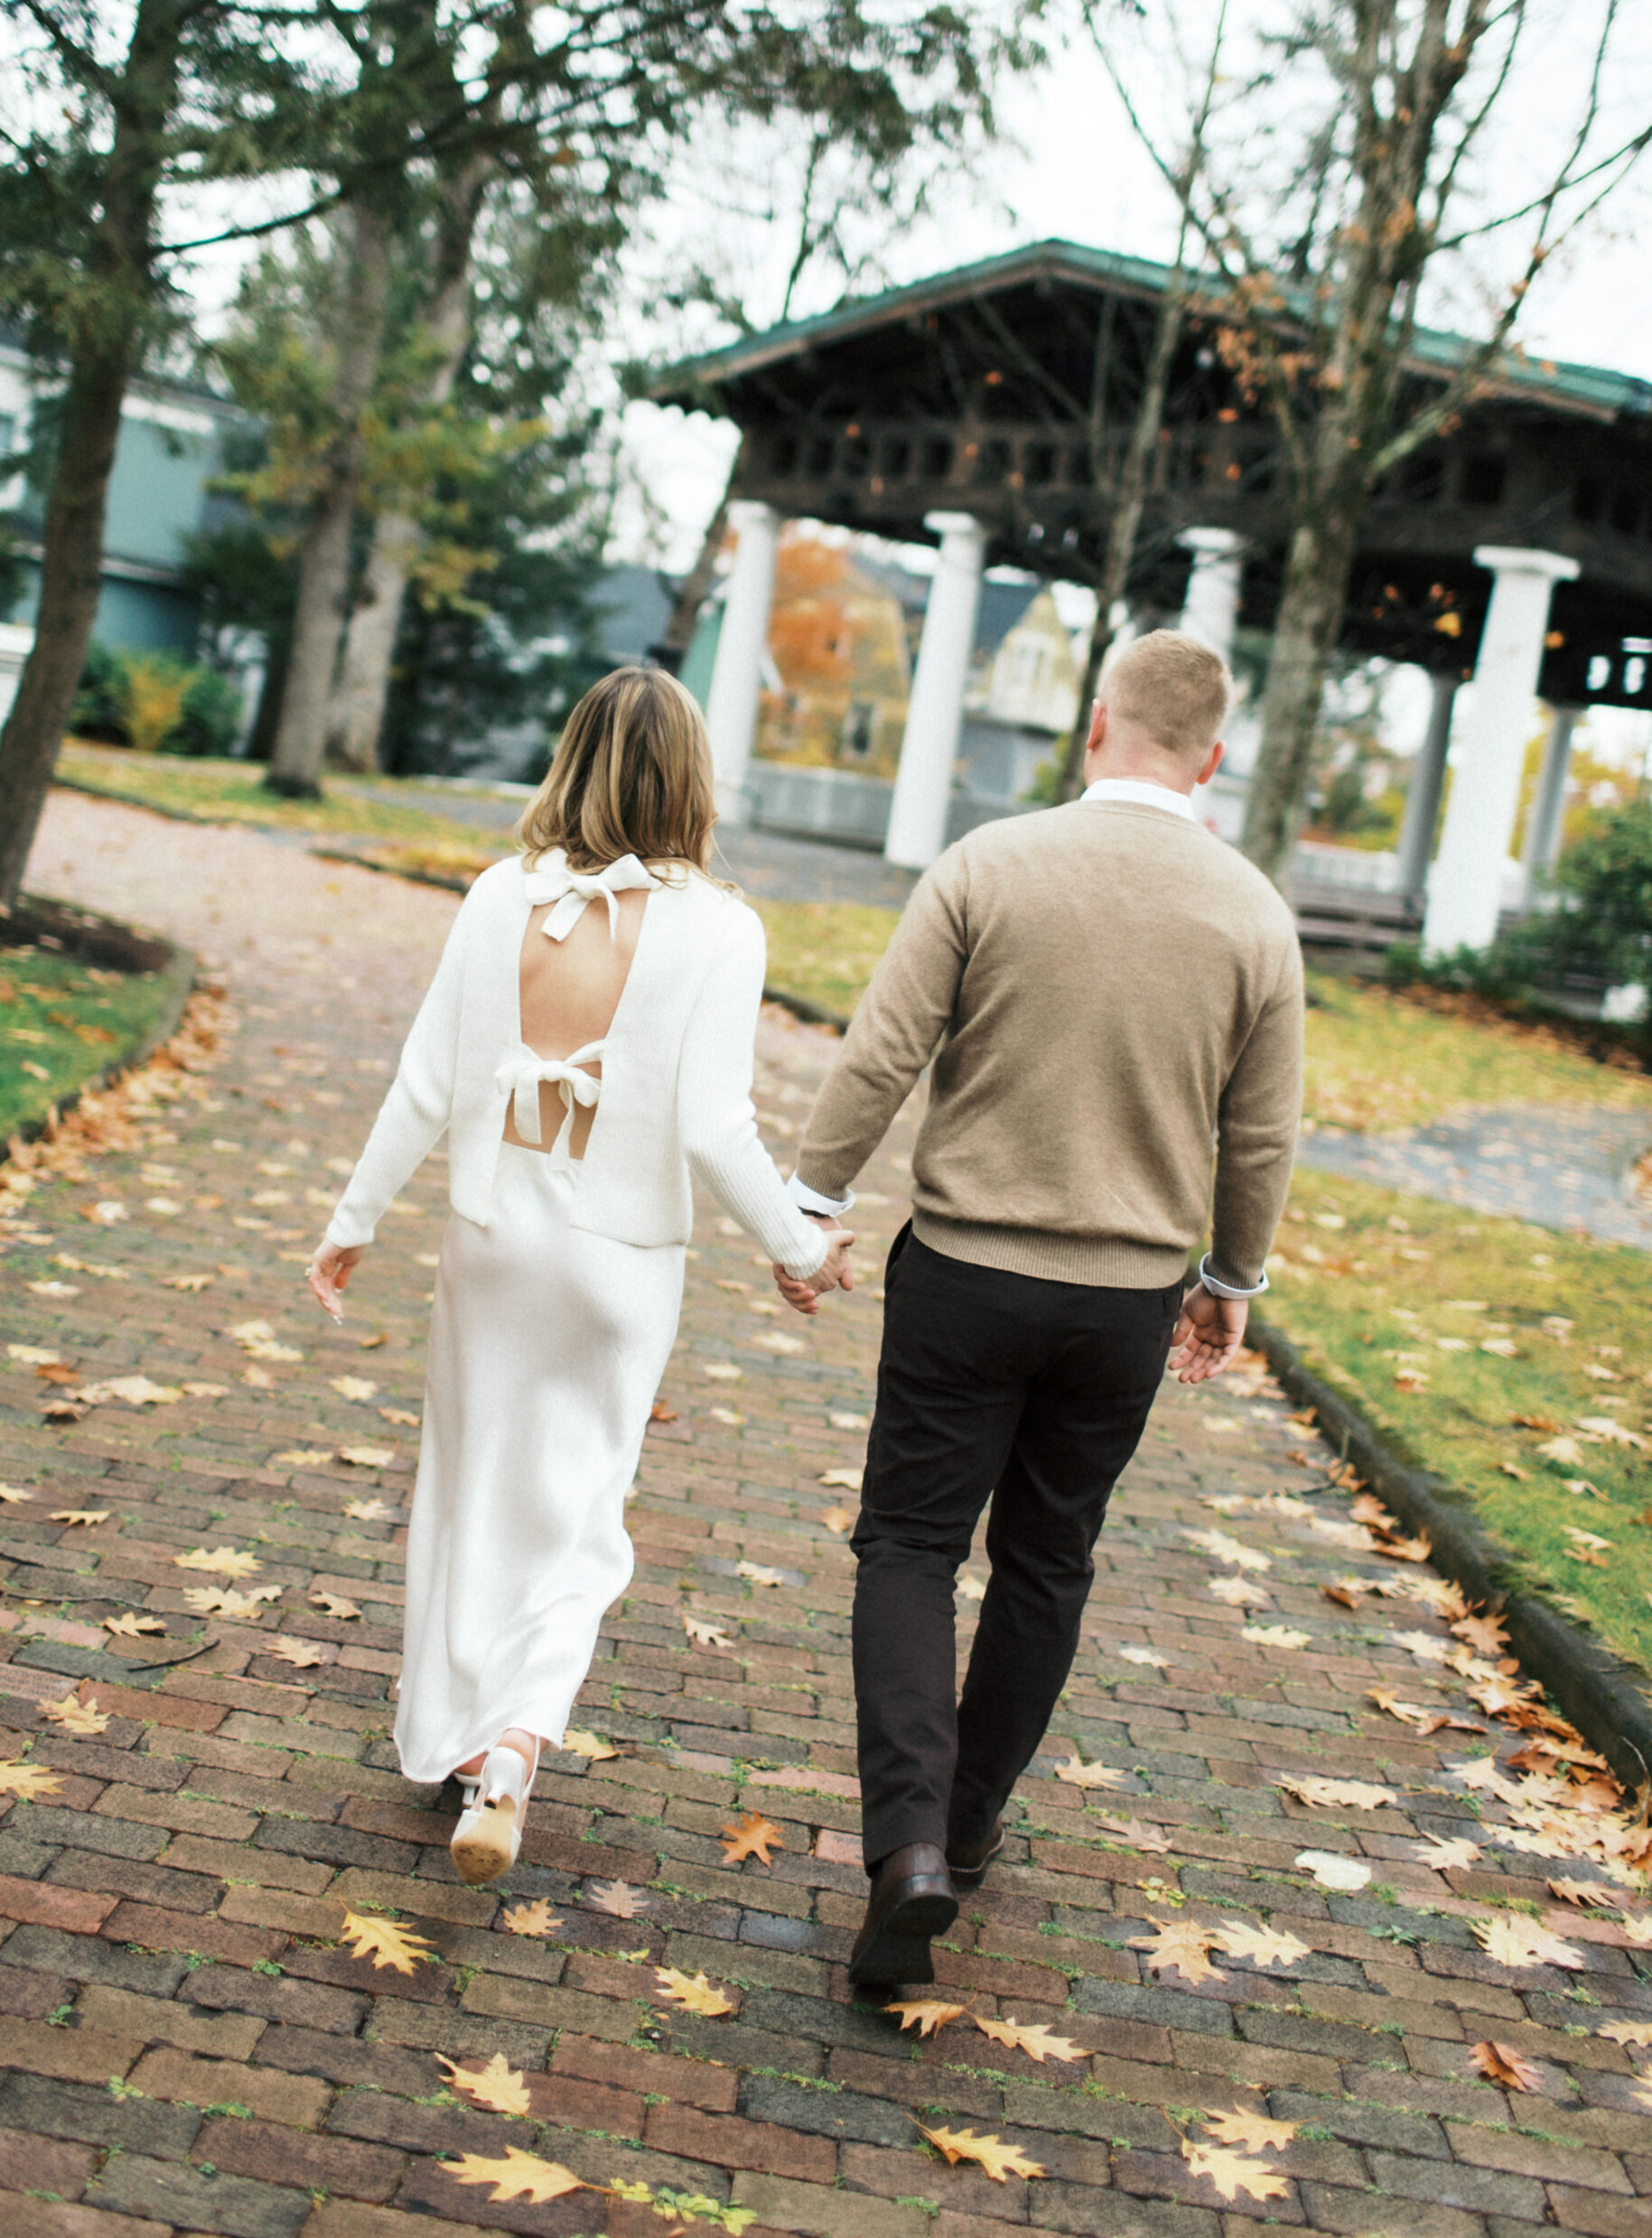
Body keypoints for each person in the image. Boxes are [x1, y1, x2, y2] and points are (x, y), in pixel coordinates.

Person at [773, 629, 1303, 1989]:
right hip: (1125, 1297)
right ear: (1214, 756)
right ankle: (967, 1823)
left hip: (961, 1272)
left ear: (1095, 726)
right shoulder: (1251, 914)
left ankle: (905, 1851)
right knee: (1046, 1563)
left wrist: (809, 1203)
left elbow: (883, 1049)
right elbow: (1259, 1135)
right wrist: (1228, 1283)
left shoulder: (987, 865)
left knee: (905, 1544)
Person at [308, 668, 853, 1883]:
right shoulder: (720, 925)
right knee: (580, 1510)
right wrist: (801, 1249)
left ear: (571, 760)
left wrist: (354, 1220)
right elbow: (715, 1126)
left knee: (469, 1489)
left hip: (490, 1240)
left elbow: (426, 1083)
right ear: (693, 779)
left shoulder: (502, 894)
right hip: (617, 1264)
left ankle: (451, 1735)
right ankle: (512, 1747)